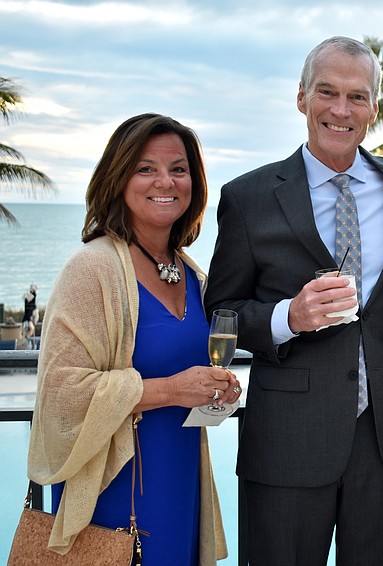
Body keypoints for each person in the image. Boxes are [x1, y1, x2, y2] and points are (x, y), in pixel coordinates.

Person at [204, 36, 383, 565]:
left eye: (357, 96)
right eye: (327, 92)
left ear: (374, 107)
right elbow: (220, 316)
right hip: (286, 447)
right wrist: (288, 317)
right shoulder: (248, 197)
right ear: (301, 97)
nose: (341, 110)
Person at [27, 113, 240, 564]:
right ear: (119, 178)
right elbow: (61, 393)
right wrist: (171, 389)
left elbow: (190, 374)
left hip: (179, 479)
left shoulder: (195, 277)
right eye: (146, 168)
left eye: (178, 169)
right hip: (115, 490)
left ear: (194, 183)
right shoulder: (92, 268)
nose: (164, 181)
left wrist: (212, 391)